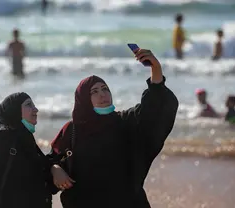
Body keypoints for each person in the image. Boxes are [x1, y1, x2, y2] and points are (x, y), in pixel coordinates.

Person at [48, 48, 179, 207]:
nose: (102, 94)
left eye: (105, 89)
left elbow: (154, 107)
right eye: (94, 92)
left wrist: (156, 69)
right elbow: (50, 161)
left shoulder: (125, 121)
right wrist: (54, 169)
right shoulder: (72, 130)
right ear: (83, 99)